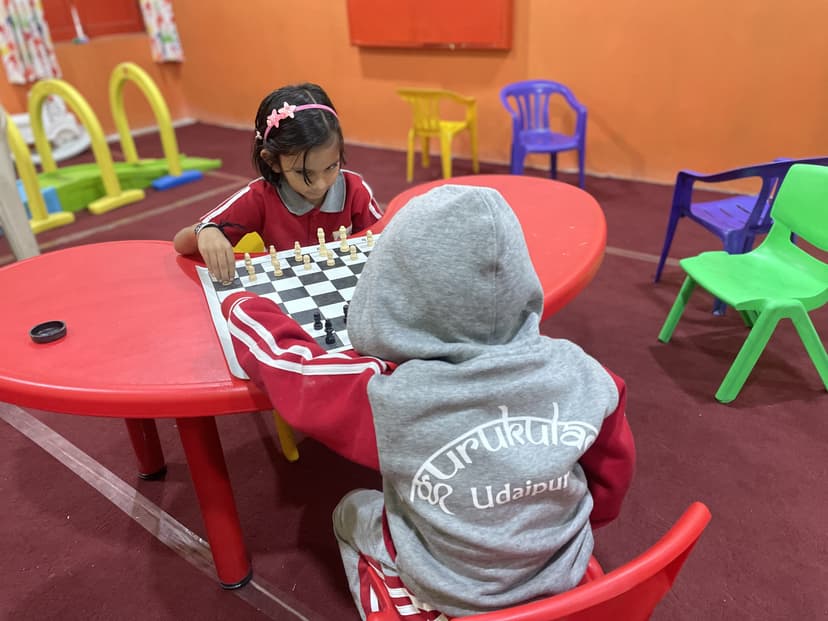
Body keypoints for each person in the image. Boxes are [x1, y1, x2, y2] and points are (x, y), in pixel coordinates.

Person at [218, 185, 635, 619]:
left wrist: (240, 304)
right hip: (563, 571)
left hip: (448, 587)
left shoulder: (385, 396)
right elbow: (610, 481)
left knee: (350, 509)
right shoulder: (588, 374)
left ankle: (397, 600)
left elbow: (294, 369)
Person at [174, 82, 382, 283]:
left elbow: (384, 242)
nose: (320, 184)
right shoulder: (260, 198)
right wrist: (206, 232)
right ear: (272, 161)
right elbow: (181, 243)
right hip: (286, 293)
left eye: (331, 167)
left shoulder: (355, 191)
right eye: (303, 173)